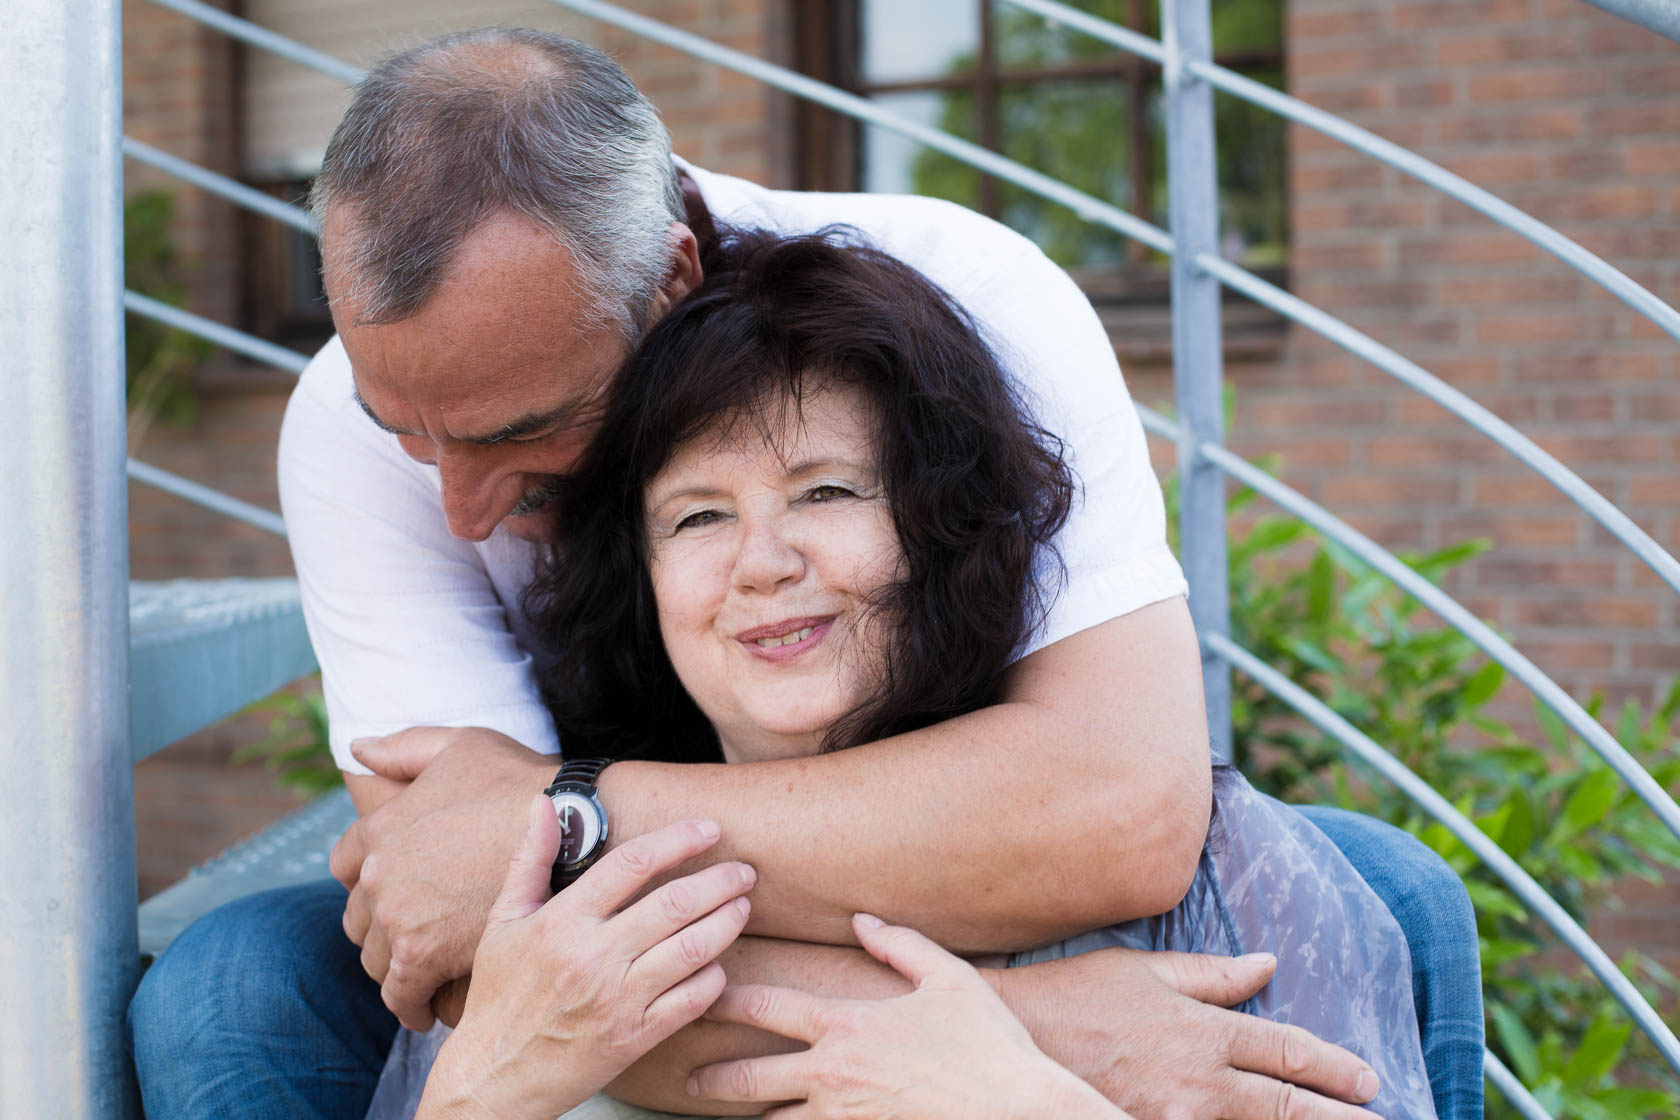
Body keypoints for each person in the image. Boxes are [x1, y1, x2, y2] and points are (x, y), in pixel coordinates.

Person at [127, 26, 1478, 1120]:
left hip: (910, 889)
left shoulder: (964, 297)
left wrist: (568, 812)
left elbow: (1118, 815)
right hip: (692, 960)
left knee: (1381, 886)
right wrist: (1017, 1033)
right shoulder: (353, 419)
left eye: (520, 432)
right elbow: (474, 929)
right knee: (229, 990)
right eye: (407, 433)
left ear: (670, 280)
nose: (461, 508)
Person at [371, 229, 1434, 1120]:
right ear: (638, 580)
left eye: (826, 493)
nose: (762, 563)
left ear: (938, 530)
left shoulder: (1237, 885)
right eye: (698, 517)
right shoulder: (544, 937)